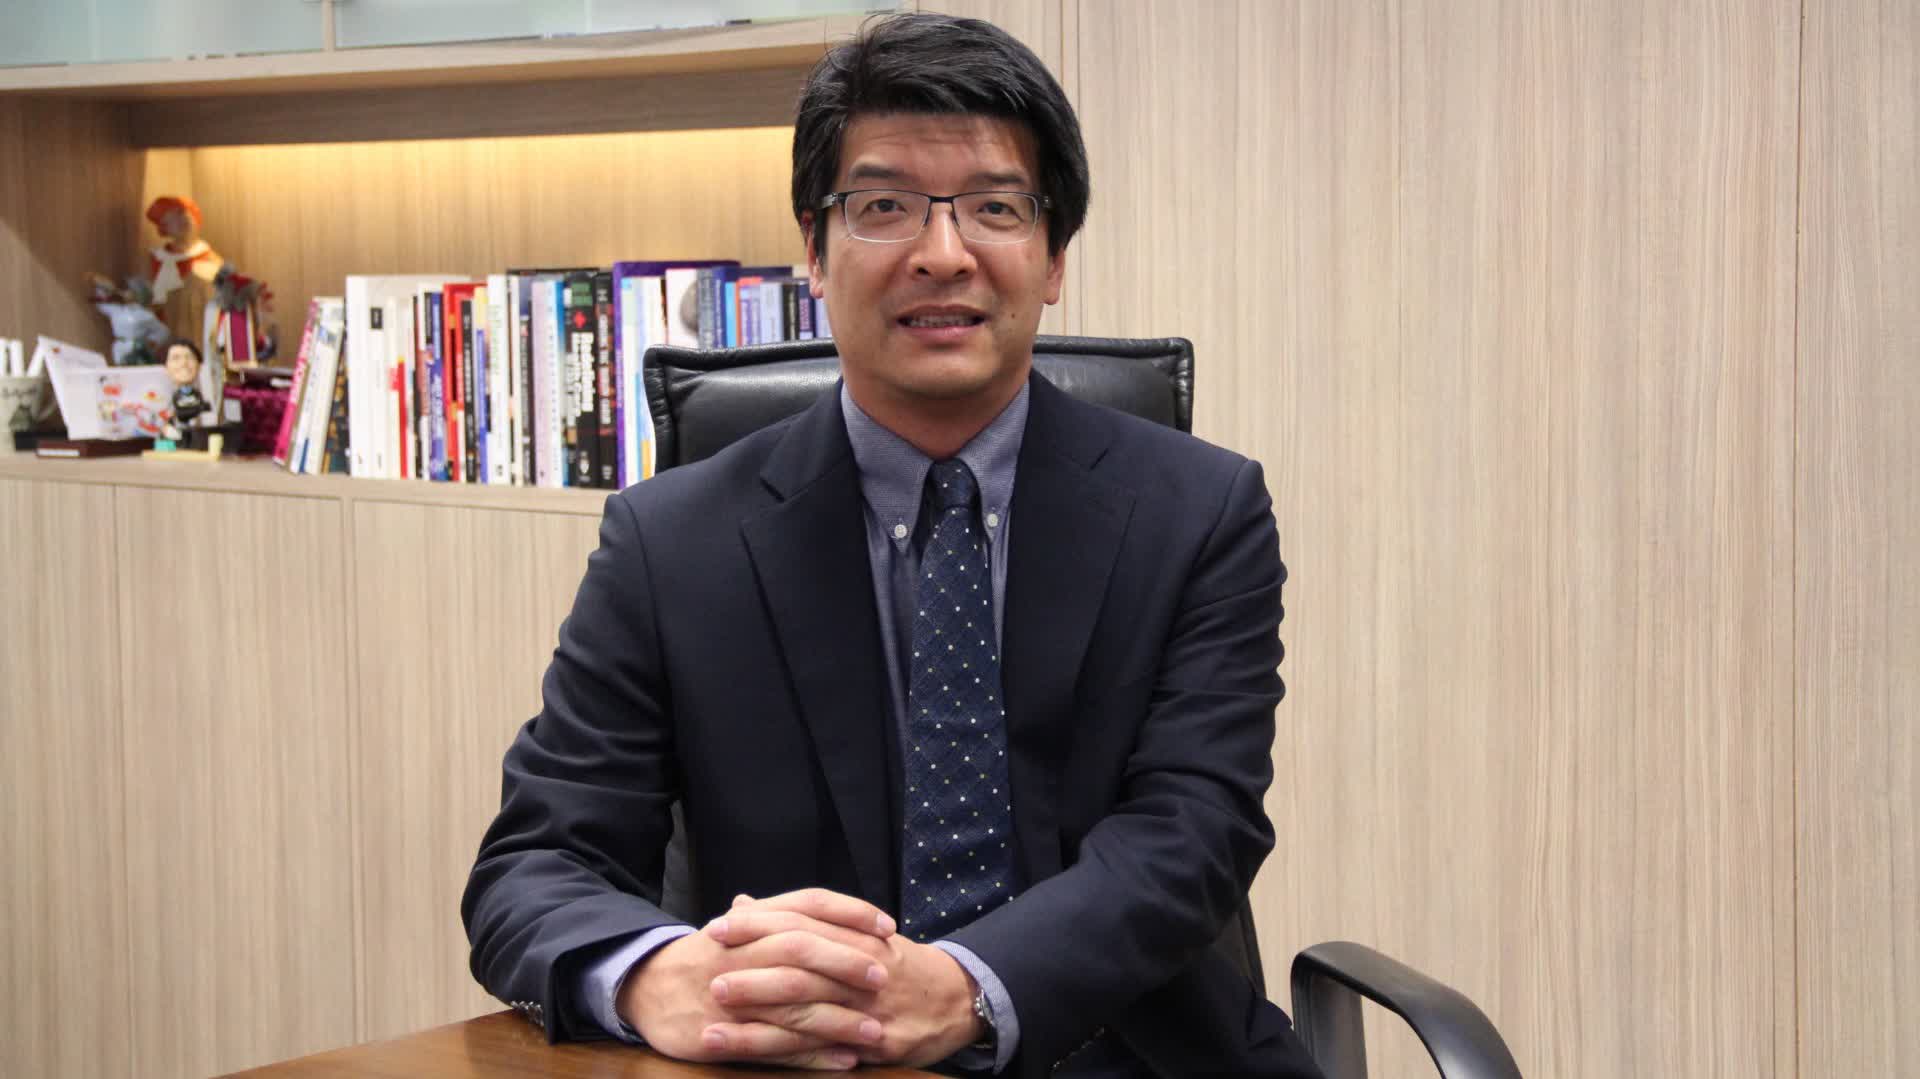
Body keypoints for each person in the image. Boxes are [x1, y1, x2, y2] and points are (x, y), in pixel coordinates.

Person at [463, 13, 1318, 1078]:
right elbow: (537, 862)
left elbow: (1195, 832)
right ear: (814, 253)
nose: (942, 254)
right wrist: (655, 975)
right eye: (884, 207)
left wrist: (966, 986)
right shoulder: (670, 541)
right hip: (805, 1063)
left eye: (996, 208)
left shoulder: (1200, 511)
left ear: (1053, 256)